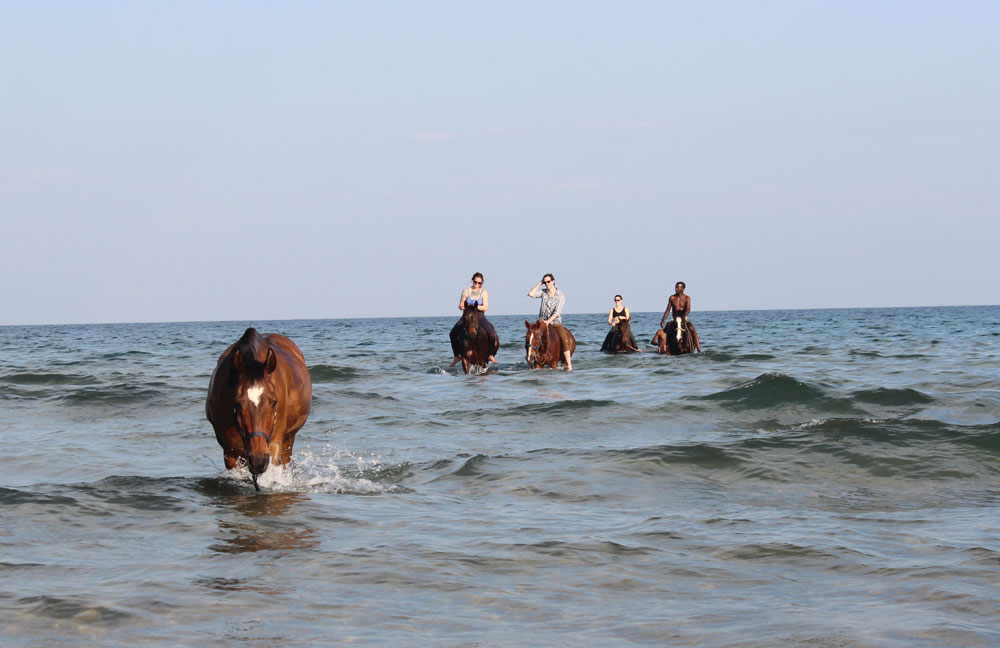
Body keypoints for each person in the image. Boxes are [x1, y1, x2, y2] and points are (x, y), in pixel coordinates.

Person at [450, 272, 498, 365]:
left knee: (492, 334)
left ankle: (490, 355)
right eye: (475, 282)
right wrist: (463, 306)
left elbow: (485, 307)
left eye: (479, 283)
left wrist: (474, 307)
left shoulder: (484, 292)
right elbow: (461, 304)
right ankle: (456, 356)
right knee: (452, 333)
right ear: (472, 281)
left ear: (482, 283)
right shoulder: (466, 291)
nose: (477, 284)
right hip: (467, 315)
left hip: (479, 315)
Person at [527, 273, 573, 371]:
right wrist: (540, 283)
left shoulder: (560, 295)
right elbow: (530, 294)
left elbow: (557, 312)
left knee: (565, 340)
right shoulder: (543, 292)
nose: (547, 284)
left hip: (555, 322)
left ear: (553, 281)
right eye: (545, 282)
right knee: (531, 336)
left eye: (548, 282)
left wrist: (548, 322)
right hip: (542, 322)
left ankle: (569, 365)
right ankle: (530, 360)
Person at [653, 281, 701, 353]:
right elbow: (668, 310)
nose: (676, 289)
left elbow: (688, 309)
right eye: (676, 287)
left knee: (693, 330)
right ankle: (668, 349)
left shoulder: (687, 298)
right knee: (668, 331)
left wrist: (683, 316)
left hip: (684, 318)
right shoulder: (672, 298)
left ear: (683, 289)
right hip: (674, 319)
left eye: (678, 288)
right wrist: (663, 319)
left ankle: (698, 349)